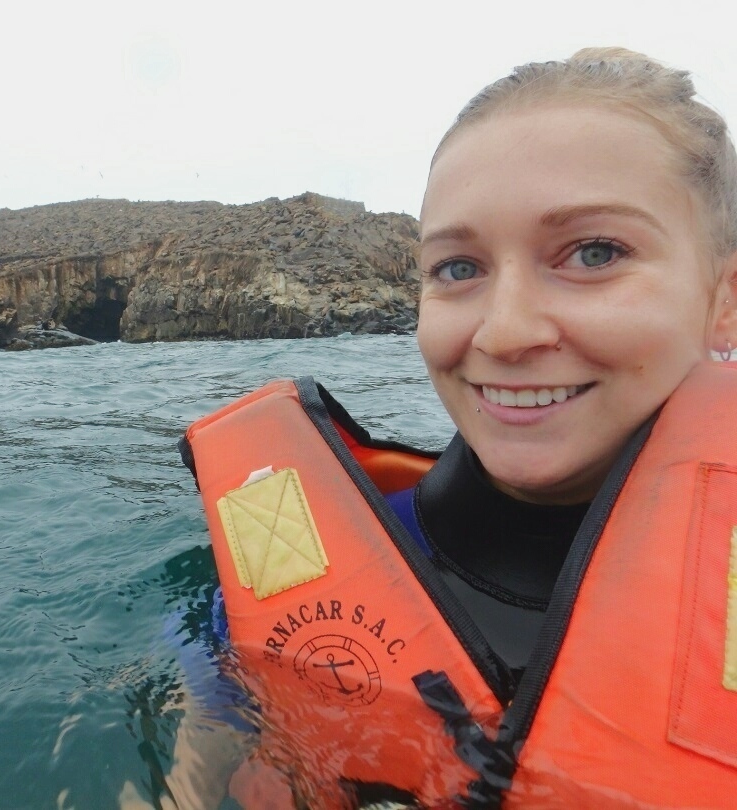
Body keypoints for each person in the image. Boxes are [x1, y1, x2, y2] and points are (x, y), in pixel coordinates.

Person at [128, 47, 737, 810]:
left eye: (593, 253)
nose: (505, 332)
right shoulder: (259, 606)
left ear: (725, 299)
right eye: (458, 268)